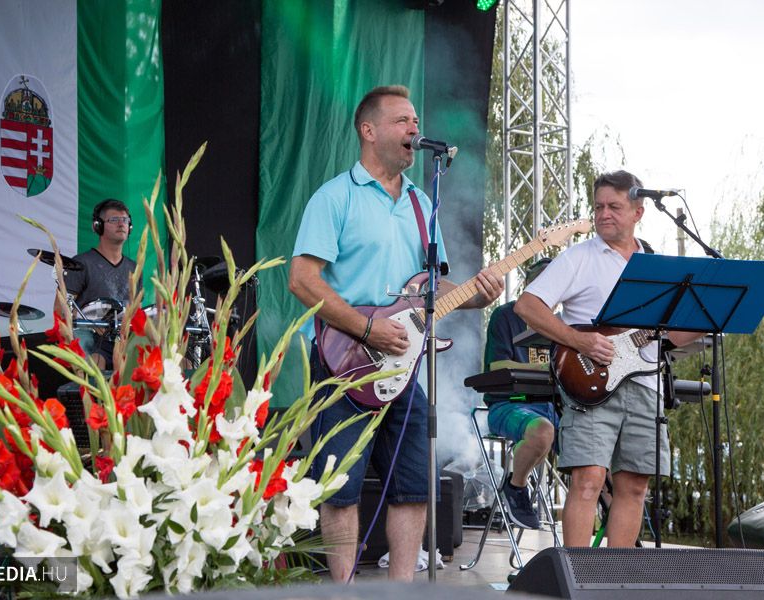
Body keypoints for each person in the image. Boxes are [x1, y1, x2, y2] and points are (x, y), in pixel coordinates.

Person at [288, 85, 505, 582]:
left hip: (403, 365)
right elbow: (302, 279)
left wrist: (477, 294)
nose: (415, 129)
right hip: (344, 362)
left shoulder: (421, 203)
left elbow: (431, 288)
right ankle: (343, 592)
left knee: (414, 484)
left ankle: (402, 590)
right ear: (369, 131)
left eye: (416, 121)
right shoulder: (335, 197)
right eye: (403, 121)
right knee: (339, 488)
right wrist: (368, 328)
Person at [513, 170, 700, 547]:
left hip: (646, 385)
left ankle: (618, 575)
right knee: (588, 480)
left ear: (638, 212)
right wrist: (579, 341)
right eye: (598, 207)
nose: (603, 214)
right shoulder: (578, 258)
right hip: (589, 383)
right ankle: (577, 574)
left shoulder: (656, 264)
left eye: (614, 206)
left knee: (634, 487)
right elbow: (527, 306)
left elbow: (670, 338)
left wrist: (708, 320)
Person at [483, 257, 557, 529]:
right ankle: (516, 486)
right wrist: (543, 370)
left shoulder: (562, 323)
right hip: (508, 404)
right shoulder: (506, 315)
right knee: (542, 430)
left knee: (597, 450)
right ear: (528, 286)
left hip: (555, 406)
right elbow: (497, 366)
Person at [61, 198, 137, 369]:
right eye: (114, 219)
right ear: (98, 226)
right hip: (90, 335)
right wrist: (93, 323)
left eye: (125, 220)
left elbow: (135, 310)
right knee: (95, 360)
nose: (121, 224)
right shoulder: (81, 263)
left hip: (122, 337)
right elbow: (61, 309)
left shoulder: (134, 268)